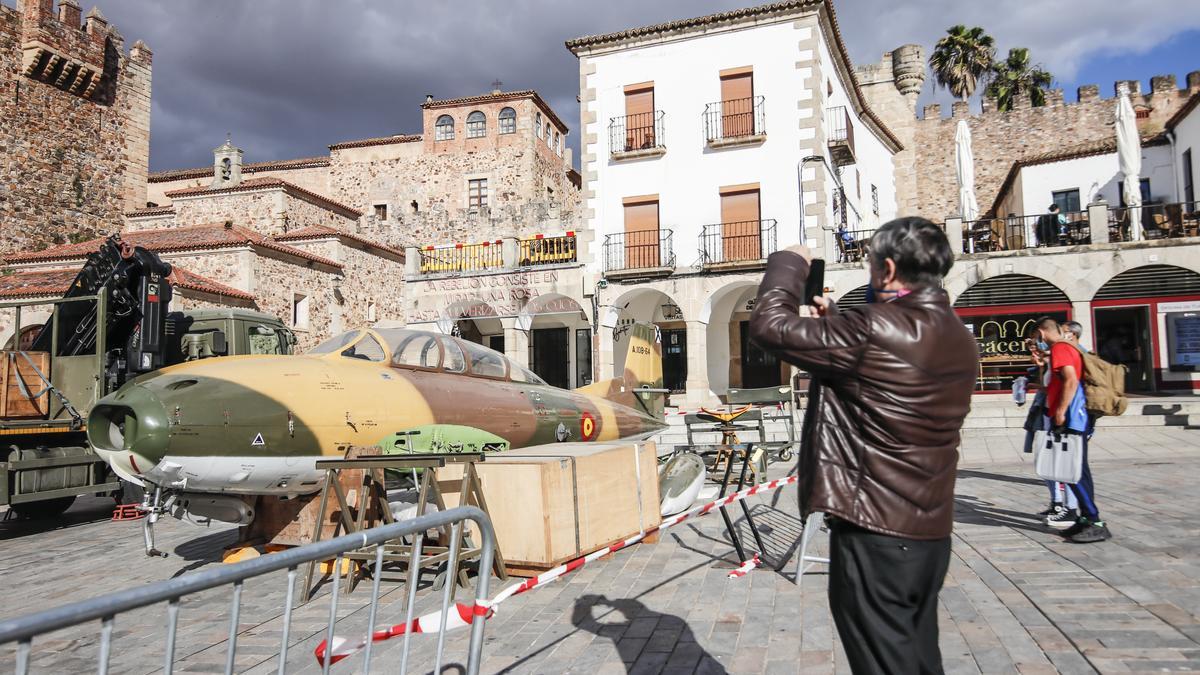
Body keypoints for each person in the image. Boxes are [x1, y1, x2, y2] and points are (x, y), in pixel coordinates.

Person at [750, 217, 977, 674]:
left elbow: (769, 326)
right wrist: (833, 327)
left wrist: (790, 262)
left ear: (888, 269)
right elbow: (883, 381)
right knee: (916, 657)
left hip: (876, 532)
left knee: (883, 664)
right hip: (929, 531)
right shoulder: (956, 334)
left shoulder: (871, 330)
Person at [1035, 317, 1111, 543]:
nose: (1037, 343)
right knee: (1074, 471)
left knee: (1073, 471)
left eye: (1035, 339)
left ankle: (1094, 521)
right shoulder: (1065, 348)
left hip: (1071, 419)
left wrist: (1060, 411)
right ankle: (1084, 519)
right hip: (1073, 417)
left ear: (1041, 333)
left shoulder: (1060, 348)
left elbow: (1070, 380)